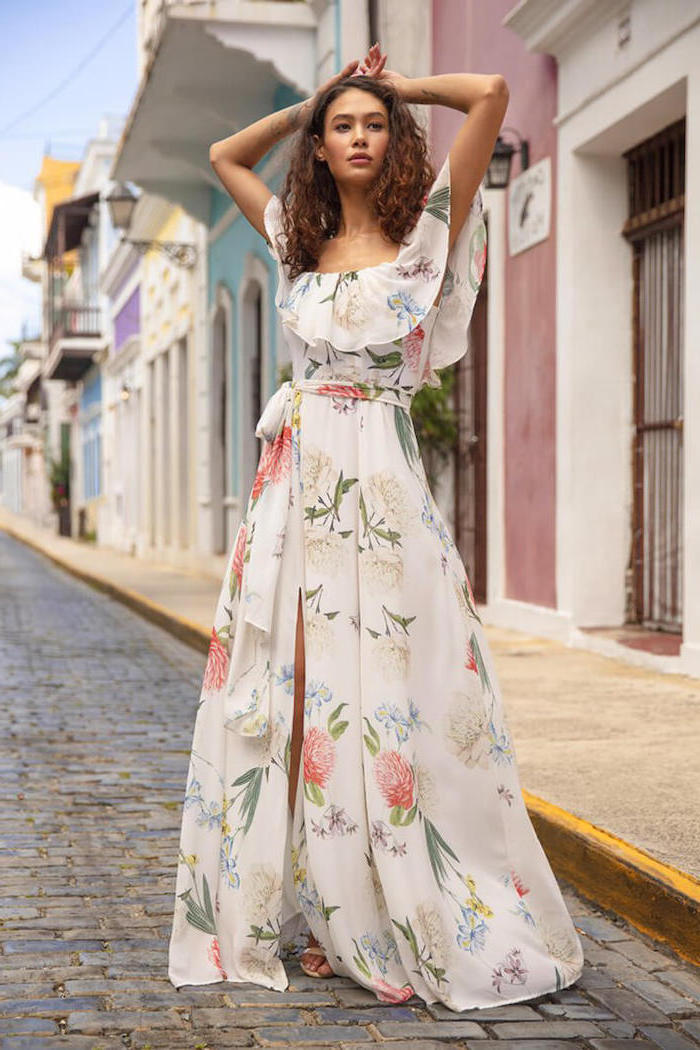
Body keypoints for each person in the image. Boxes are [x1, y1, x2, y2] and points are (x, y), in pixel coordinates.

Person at [167, 43, 585, 1011]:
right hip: (295, 489)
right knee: (305, 693)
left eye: (372, 125)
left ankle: (399, 908)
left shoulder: (428, 232)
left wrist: (397, 90)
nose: (356, 137)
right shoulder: (292, 242)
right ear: (320, 148)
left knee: (392, 692)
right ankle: (330, 909)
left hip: (384, 490)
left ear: (392, 139)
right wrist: (308, 103)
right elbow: (227, 154)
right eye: (340, 128)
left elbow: (487, 92)